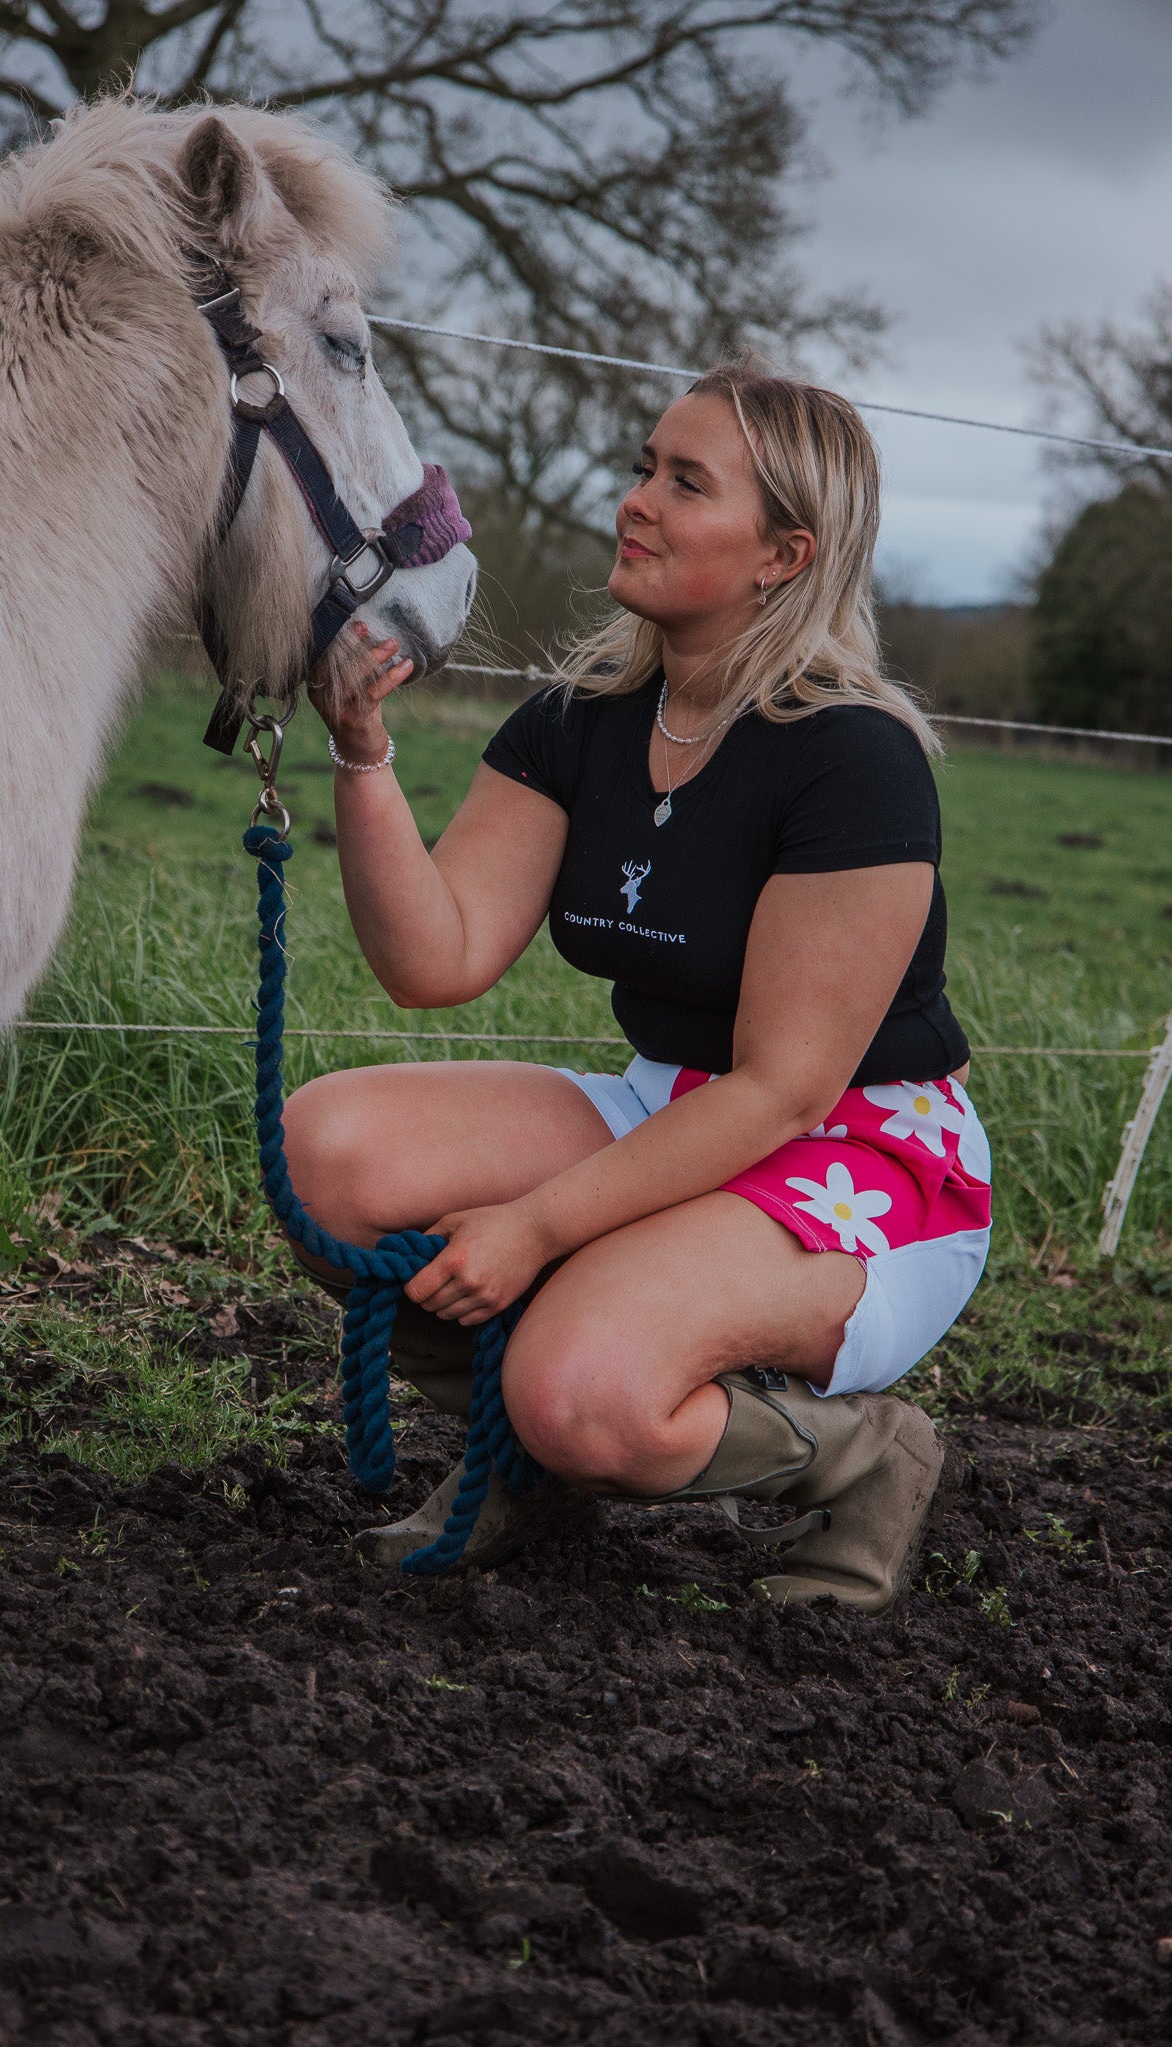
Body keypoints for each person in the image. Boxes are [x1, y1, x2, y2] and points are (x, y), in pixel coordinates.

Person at [282, 358, 992, 1615]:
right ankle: (525, 1466)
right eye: (642, 468)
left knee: (583, 1389)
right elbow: (432, 960)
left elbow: (781, 1089)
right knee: (328, 1156)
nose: (636, 501)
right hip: (671, 1103)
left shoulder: (854, 759)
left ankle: (867, 1450)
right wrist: (363, 749)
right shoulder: (587, 720)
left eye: (684, 482)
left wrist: (540, 1225)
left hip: (864, 1152)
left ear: (783, 553)